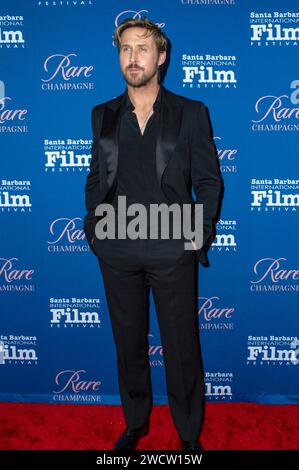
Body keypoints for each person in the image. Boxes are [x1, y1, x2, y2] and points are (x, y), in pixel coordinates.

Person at [83, 17, 222, 451]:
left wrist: (198, 232)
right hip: (117, 246)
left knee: (181, 348)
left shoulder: (191, 113)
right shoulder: (102, 114)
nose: (133, 58)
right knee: (128, 346)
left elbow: (209, 181)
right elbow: (95, 178)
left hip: (171, 246)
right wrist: (95, 228)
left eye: (143, 48)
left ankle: (187, 434)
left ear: (161, 56)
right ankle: (135, 424)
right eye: (125, 49)